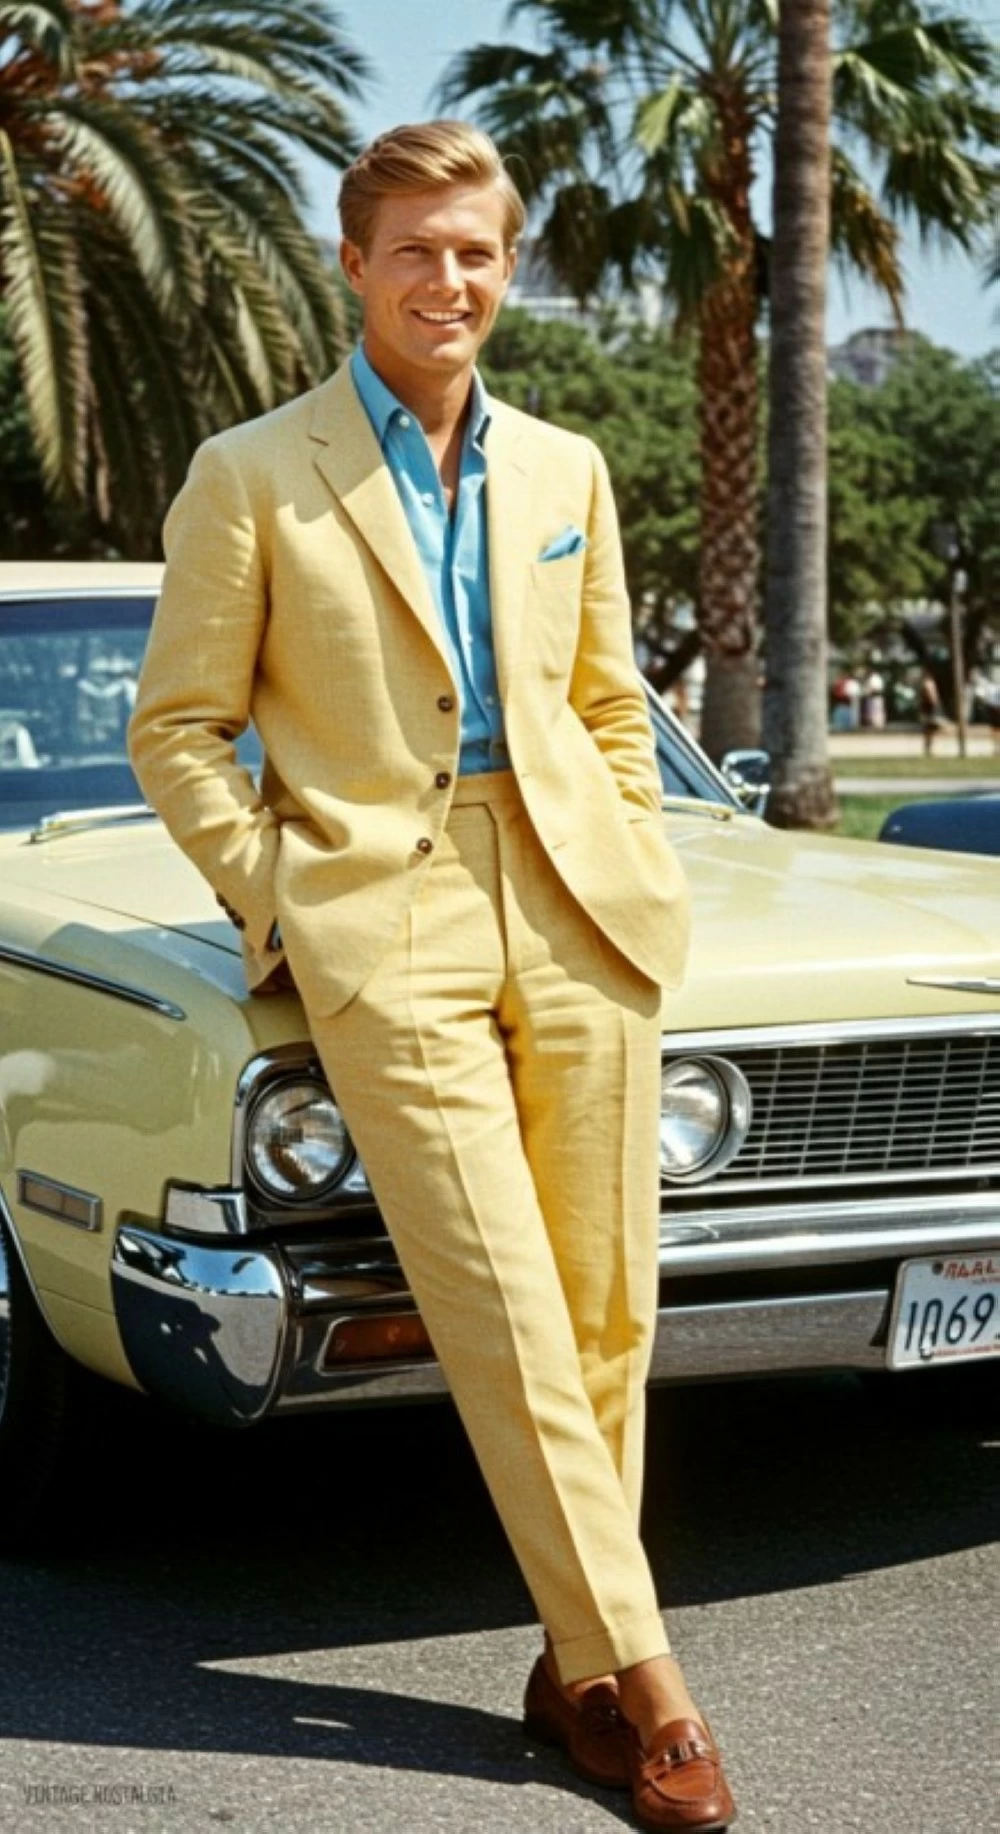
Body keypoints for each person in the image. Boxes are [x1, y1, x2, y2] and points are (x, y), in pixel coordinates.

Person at [128, 121, 735, 1832]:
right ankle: (655, 1681)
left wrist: (638, 852)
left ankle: (573, 1670)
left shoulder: (567, 468)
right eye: (414, 249)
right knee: (503, 1304)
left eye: (475, 251)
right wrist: (279, 896)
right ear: (355, 264)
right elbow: (178, 727)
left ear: (507, 267)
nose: (446, 280)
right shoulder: (254, 470)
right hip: (380, 914)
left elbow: (606, 700)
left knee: (607, 1313)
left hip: (579, 899)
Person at [919, 667, 944, 757]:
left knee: (930, 730)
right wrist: (936, 704)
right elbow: (931, 696)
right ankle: (928, 749)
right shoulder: (928, 683)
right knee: (930, 729)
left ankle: (928, 748)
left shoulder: (927, 683)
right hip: (929, 708)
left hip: (928, 708)